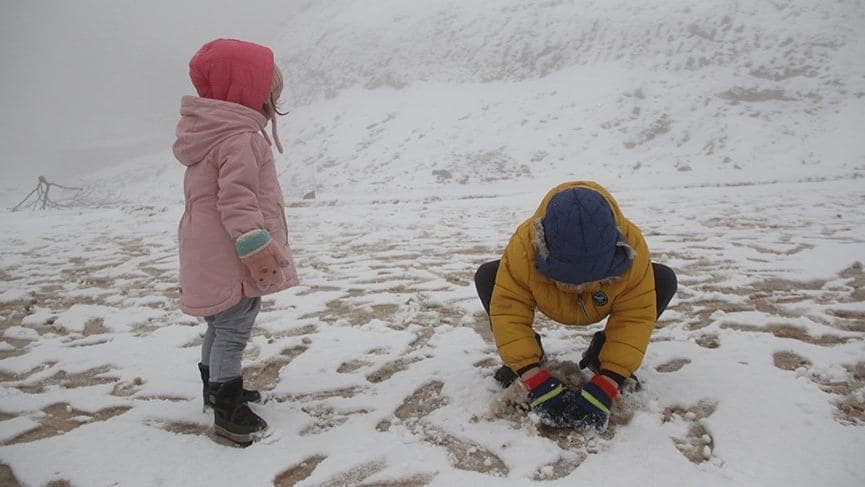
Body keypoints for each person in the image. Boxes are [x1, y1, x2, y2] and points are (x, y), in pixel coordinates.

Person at [173, 38, 298, 446]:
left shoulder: (207, 133)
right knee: (234, 326)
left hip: (208, 248)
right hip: (233, 253)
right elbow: (237, 199)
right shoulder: (240, 137)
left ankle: (215, 389)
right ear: (246, 91)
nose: (270, 101)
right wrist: (256, 248)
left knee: (219, 323)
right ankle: (229, 412)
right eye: (267, 92)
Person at [474, 181, 677, 430]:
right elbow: (509, 310)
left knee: (662, 279)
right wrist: (530, 374)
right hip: (546, 299)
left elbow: (634, 317)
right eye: (570, 278)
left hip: (603, 302)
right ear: (543, 247)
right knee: (489, 277)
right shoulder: (524, 246)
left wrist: (610, 379)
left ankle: (603, 358)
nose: (578, 287)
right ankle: (525, 358)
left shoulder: (632, 246)